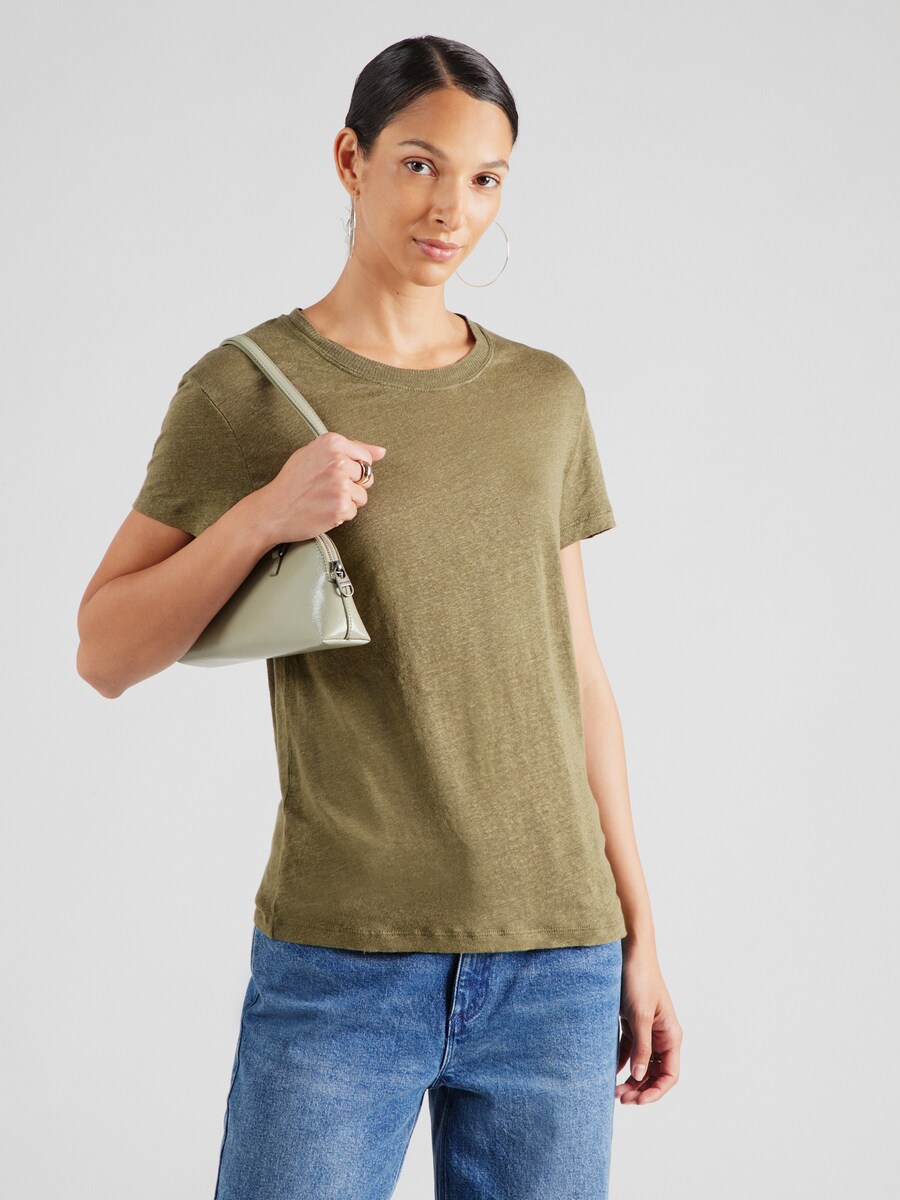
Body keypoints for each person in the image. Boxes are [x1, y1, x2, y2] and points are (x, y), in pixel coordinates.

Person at [76, 33, 682, 1200]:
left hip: (558, 956)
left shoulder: (543, 396)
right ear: (350, 160)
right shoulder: (245, 388)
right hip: (343, 961)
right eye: (419, 165)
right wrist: (264, 515)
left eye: (486, 178)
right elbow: (103, 649)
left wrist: (639, 931)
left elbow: (580, 679)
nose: (452, 208)